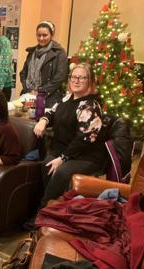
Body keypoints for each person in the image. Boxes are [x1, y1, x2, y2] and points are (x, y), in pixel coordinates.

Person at [33, 63, 107, 208]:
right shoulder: (67, 98)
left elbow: (84, 140)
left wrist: (62, 159)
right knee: (45, 164)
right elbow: (52, 112)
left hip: (85, 155)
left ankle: (44, 210)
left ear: (90, 81)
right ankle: (53, 205)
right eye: (73, 77)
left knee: (60, 172)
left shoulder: (90, 105)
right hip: (64, 150)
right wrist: (43, 120)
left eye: (82, 78)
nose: (76, 80)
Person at [19, 20, 68, 120]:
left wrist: (40, 92)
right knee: (26, 123)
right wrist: (29, 90)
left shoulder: (59, 53)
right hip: (29, 96)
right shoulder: (32, 52)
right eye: (39, 35)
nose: (41, 38)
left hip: (49, 98)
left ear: (51, 35)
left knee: (41, 125)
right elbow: (23, 73)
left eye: (45, 35)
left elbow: (60, 77)